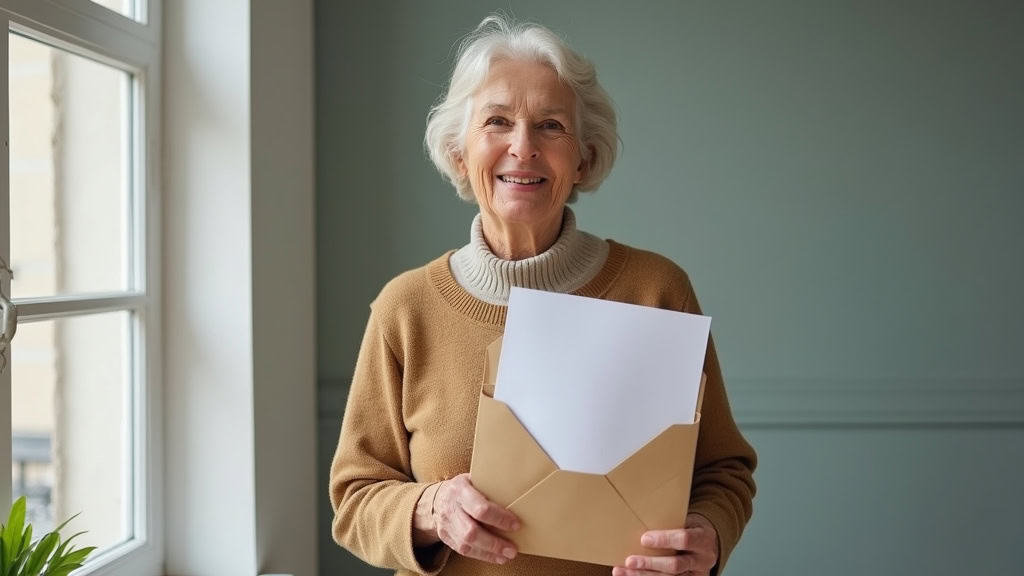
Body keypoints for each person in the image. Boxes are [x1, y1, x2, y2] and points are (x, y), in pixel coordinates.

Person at [329, 14, 756, 576]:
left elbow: (724, 472)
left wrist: (707, 535)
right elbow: (355, 498)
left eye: (551, 126)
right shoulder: (406, 309)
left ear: (583, 158)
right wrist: (431, 508)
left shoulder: (656, 290)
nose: (523, 147)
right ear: (460, 153)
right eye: (497, 122)